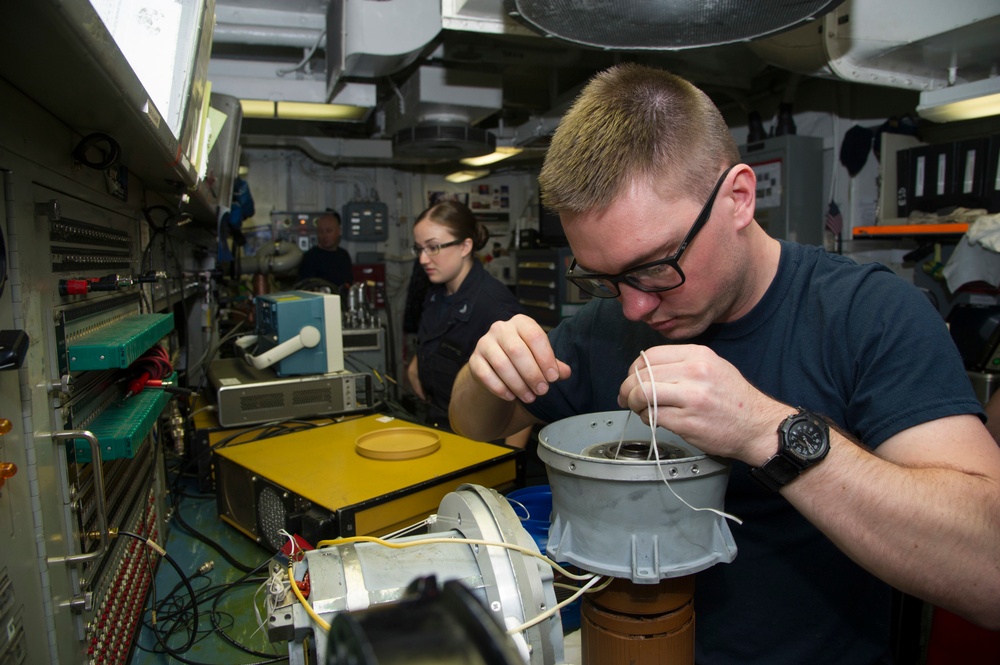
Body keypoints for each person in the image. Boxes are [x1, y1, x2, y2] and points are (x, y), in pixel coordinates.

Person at [448, 63, 1000, 664]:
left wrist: (764, 431)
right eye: (604, 278)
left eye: (656, 264)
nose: (636, 304)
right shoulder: (608, 326)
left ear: (739, 197)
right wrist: (487, 371)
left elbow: (989, 572)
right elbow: (475, 427)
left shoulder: (868, 315)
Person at [407, 200, 531, 449]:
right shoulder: (436, 295)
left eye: (432, 248)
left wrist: (506, 465)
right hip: (441, 429)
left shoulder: (495, 307)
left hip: (480, 444)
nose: (422, 259)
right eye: (419, 248)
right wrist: (416, 368)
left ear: (465, 246)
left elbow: (527, 398)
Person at [297, 212, 353, 287]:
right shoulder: (310, 258)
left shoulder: (344, 256)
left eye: (329, 231)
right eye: (321, 231)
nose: (324, 235)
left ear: (338, 231)